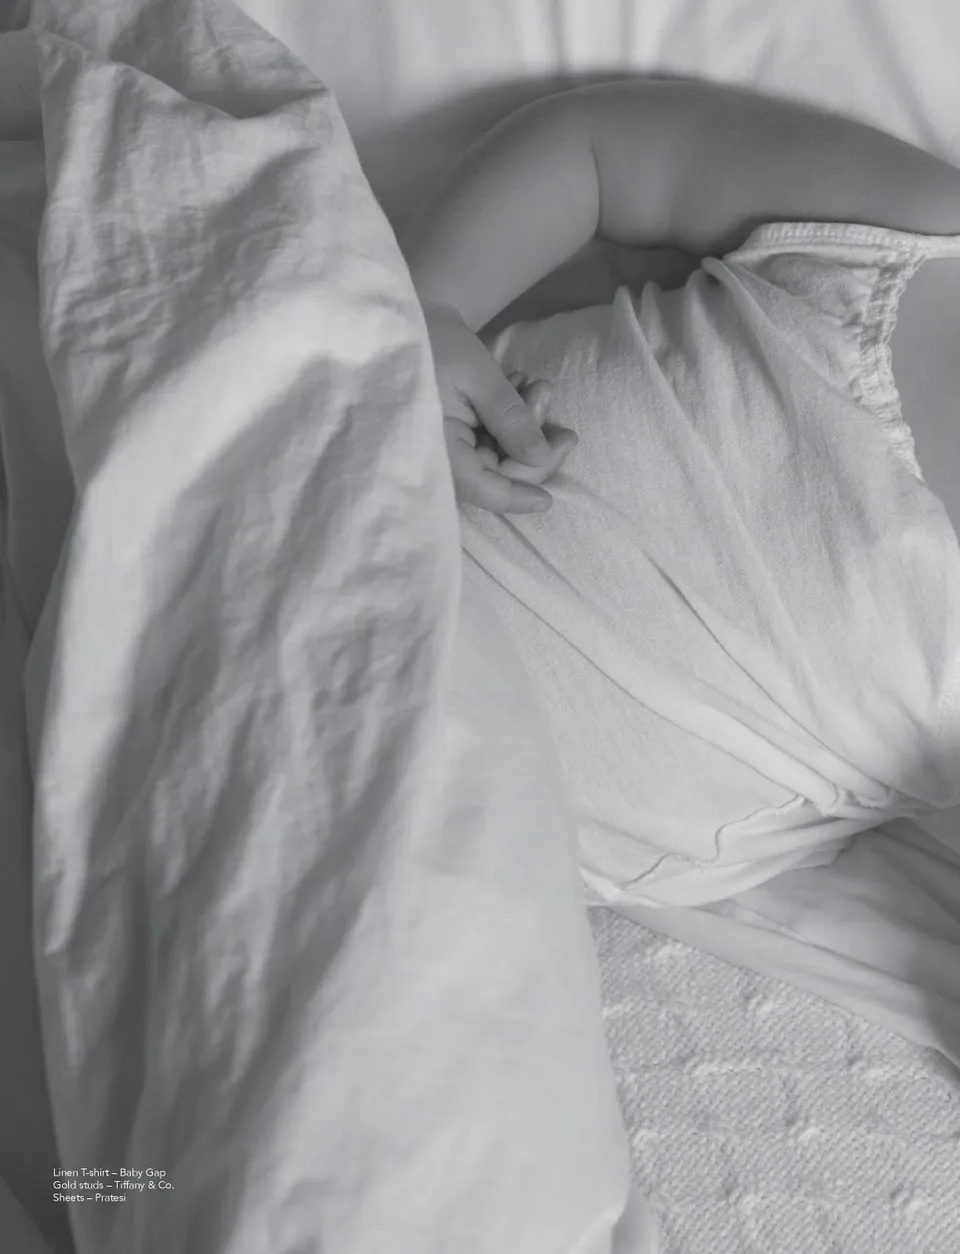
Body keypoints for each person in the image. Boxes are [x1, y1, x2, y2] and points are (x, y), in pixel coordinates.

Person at [403, 80, 960, 909]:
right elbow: (595, 151)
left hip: (442, 864)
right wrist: (421, 313)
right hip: (338, 501)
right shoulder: (920, 229)